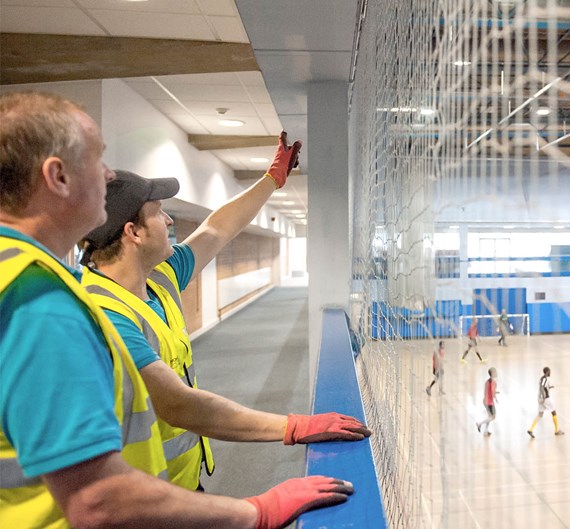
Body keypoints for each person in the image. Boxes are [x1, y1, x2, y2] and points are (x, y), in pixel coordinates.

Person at [0, 91, 353, 528]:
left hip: (164, 488)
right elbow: (101, 495)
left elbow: (216, 229)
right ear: (58, 178)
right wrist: (258, 510)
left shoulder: (145, 279)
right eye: (97, 159)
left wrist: (271, 180)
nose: (107, 174)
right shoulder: (44, 304)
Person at [78, 161, 370, 491]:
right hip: (139, 501)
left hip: (177, 486)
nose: (170, 220)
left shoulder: (160, 278)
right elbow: (179, 404)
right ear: (134, 232)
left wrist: (271, 180)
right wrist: (294, 426)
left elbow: (216, 229)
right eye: (159, 212)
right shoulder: (103, 314)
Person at [527, 367, 564, 438]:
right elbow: (542, 387)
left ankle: (530, 429)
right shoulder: (545, 379)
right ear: (547, 372)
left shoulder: (541, 378)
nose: (550, 373)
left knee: (540, 415)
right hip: (546, 399)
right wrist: (544, 396)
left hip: (539, 399)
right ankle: (557, 431)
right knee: (554, 412)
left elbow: (544, 387)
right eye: (549, 371)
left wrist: (549, 387)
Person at [475, 367, 499, 436]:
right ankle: (479, 424)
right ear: (492, 373)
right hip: (489, 402)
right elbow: (492, 392)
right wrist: (496, 397)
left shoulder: (487, 382)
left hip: (485, 401)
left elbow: (487, 391)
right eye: (495, 372)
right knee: (493, 417)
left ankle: (486, 431)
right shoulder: (493, 383)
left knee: (489, 417)